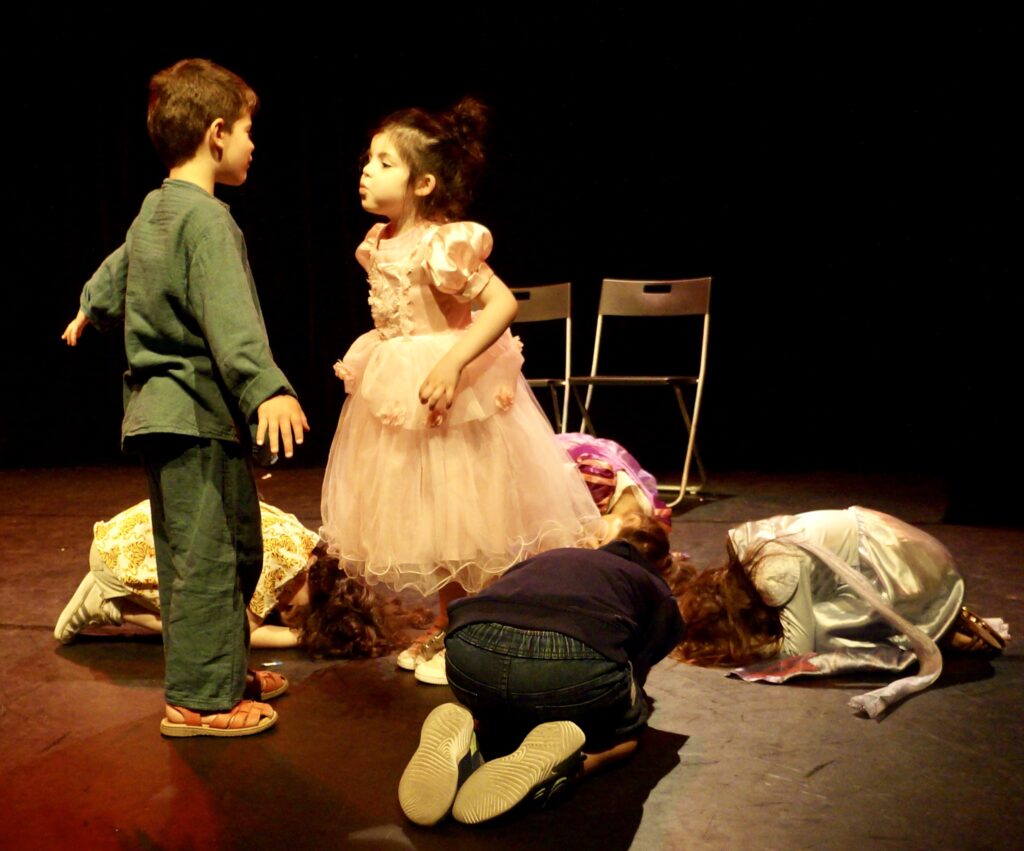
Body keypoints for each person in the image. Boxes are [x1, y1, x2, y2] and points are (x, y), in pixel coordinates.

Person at [61, 59, 309, 737]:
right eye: (250, 130)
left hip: (165, 417)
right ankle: (199, 700)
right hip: (194, 414)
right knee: (208, 560)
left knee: (227, 548)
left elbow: (120, 265)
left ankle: (220, 669)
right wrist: (268, 390)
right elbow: (232, 320)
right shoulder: (209, 222)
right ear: (217, 133)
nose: (255, 145)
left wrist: (91, 307)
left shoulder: (153, 210)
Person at [319, 97, 599, 686]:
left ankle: (477, 626)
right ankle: (453, 622)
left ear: (422, 181)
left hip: (452, 387)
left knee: (467, 518)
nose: (366, 170)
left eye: (384, 162)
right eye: (368, 158)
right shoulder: (377, 241)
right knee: (429, 520)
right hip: (399, 391)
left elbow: (500, 304)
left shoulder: (443, 244)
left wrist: (452, 362)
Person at [397, 514, 687, 826]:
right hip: (570, 658)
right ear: (659, 564)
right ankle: (576, 765)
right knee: (628, 731)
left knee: (502, 698)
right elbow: (644, 658)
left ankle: (475, 739)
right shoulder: (652, 586)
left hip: (469, 650)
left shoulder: (549, 557)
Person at [672, 506, 1009, 718]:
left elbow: (798, 648)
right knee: (809, 610)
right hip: (888, 542)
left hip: (895, 567)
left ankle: (934, 625)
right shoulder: (744, 547)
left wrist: (745, 650)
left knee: (817, 630)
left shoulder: (772, 575)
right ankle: (939, 624)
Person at [54, 500, 408, 659]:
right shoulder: (282, 565)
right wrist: (301, 637)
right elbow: (245, 634)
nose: (289, 612)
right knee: (218, 632)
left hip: (121, 539)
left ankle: (110, 601)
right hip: (118, 558)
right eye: (303, 611)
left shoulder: (302, 544)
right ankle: (109, 606)